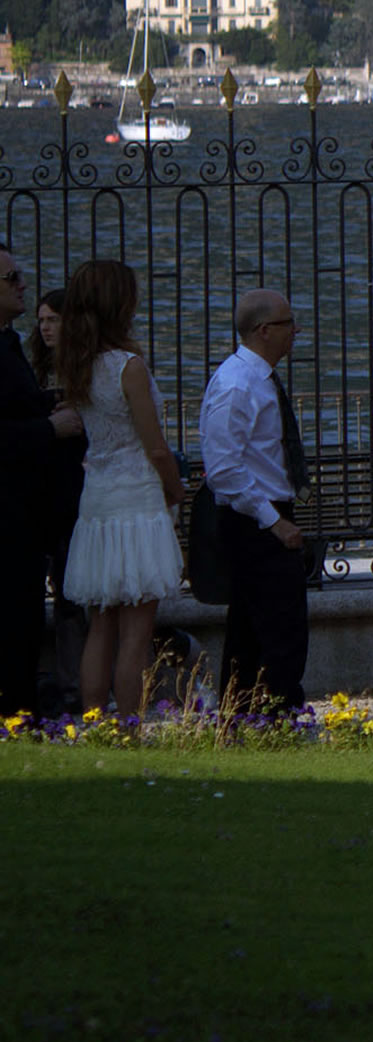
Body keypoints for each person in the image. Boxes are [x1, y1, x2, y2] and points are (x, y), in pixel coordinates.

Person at [57, 261, 184, 717]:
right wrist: (175, 488)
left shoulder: (79, 363)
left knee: (102, 624)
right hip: (136, 499)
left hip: (97, 499)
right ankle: (130, 725)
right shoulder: (128, 366)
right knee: (135, 630)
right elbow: (155, 446)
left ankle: (95, 716)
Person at [197, 289, 311, 710]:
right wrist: (273, 521)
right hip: (253, 519)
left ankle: (242, 713)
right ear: (264, 330)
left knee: (251, 627)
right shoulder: (237, 383)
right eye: (287, 323)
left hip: (264, 513)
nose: (294, 331)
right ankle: (278, 715)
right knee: (281, 628)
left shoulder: (256, 378)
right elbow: (223, 467)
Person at [0, 251, 84, 715]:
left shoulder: (9, 343)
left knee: (26, 617)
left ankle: (20, 709)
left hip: (26, 516)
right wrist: (50, 428)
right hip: (8, 516)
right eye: (12, 277)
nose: (22, 284)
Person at [27, 286, 86, 713]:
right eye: (42, 320)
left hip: (73, 492)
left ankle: (74, 684)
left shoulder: (83, 371)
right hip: (41, 491)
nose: (45, 328)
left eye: (53, 320)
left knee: (72, 593)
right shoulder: (34, 369)